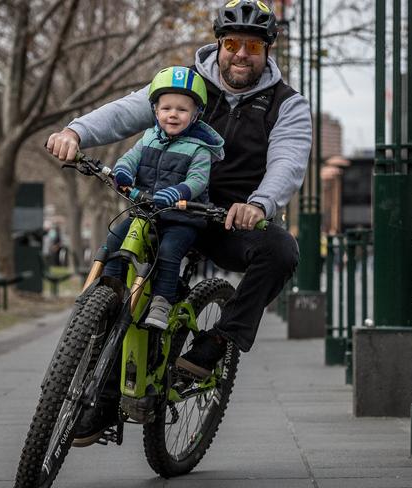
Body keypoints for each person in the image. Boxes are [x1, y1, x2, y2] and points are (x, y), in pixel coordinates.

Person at [48, 0, 310, 380]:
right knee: (122, 273)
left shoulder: (287, 104)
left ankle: (218, 342)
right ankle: (97, 385)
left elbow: (288, 161)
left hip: (228, 219)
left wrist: (259, 204)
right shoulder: (185, 83)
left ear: (267, 50)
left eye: (252, 47)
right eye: (233, 44)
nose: (241, 55)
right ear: (219, 44)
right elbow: (126, 111)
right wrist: (75, 132)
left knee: (281, 251)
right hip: (165, 209)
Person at [105, 66, 224, 329]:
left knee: (169, 252)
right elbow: (130, 158)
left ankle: (162, 302)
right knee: (114, 240)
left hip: (182, 218)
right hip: (147, 212)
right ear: (155, 111)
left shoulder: (200, 148)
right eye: (166, 108)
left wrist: (177, 192)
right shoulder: (148, 138)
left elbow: (197, 180)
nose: (173, 114)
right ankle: (108, 294)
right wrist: (123, 172)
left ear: (195, 115)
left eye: (182, 110)